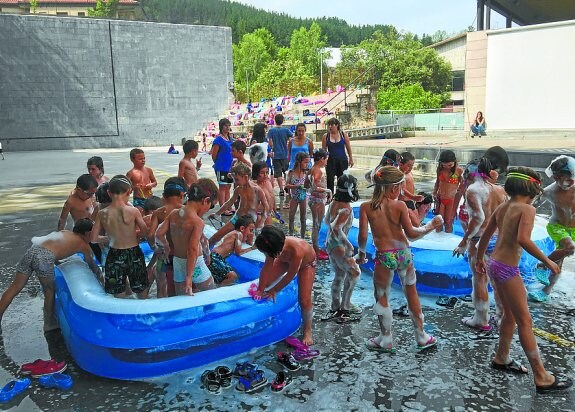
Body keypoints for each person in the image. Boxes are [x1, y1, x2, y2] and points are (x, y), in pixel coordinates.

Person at [475, 167, 572, 394]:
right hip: (508, 269)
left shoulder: (502, 207)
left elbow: (485, 236)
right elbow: (523, 239)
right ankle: (541, 375)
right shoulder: (526, 209)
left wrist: (480, 259)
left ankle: (501, 357)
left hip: (495, 264)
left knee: (510, 315)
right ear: (533, 190)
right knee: (525, 321)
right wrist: (548, 262)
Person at [357, 166, 443, 352]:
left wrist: (361, 253)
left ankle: (386, 339)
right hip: (404, 253)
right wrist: (431, 225)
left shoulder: (367, 207)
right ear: (394, 188)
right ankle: (422, 336)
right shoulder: (400, 206)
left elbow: (363, 237)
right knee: (411, 291)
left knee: (382, 295)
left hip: (385, 255)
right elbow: (412, 234)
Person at [0, 218, 100, 332]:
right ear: (88, 233)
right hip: (44, 258)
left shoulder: (66, 232)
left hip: (33, 250)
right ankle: (48, 324)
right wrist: (99, 277)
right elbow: (91, 264)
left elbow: (55, 246)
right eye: (94, 232)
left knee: (15, 287)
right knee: (49, 290)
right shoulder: (83, 245)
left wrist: (57, 261)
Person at [453, 158, 507, 331]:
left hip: (480, 241)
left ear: (470, 172)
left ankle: (481, 319)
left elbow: (478, 218)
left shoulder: (473, 190)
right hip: (498, 240)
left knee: (480, 279)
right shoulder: (499, 189)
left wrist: (464, 241)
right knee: (497, 281)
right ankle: (502, 317)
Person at [253, 226, 316, 346]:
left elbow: (291, 275)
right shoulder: (272, 244)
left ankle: (308, 330)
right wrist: (260, 290)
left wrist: (275, 290)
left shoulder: (297, 251)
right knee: (266, 284)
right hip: (285, 261)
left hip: (306, 264)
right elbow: (266, 268)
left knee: (304, 299)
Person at [156, 179, 218, 295]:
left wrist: (166, 246)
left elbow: (158, 234)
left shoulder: (174, 213)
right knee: (211, 293)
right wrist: (189, 277)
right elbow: (192, 249)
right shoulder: (197, 222)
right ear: (205, 201)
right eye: (210, 206)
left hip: (178, 262)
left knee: (181, 297)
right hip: (196, 265)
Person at [91, 175, 149, 299]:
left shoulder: (102, 213)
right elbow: (145, 232)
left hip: (114, 254)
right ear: (129, 192)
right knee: (141, 289)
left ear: (108, 192)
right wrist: (135, 235)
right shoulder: (133, 211)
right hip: (134, 254)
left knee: (118, 292)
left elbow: (93, 239)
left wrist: (111, 237)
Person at [528, 155, 575, 302]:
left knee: (560, 261)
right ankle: (542, 264)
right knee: (570, 247)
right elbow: (530, 206)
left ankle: (546, 291)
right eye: (568, 179)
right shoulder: (550, 192)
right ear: (556, 177)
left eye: (574, 177)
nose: (572, 181)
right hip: (558, 227)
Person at [323, 173, 361, 321]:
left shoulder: (333, 202)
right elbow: (336, 228)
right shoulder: (346, 209)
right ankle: (345, 308)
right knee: (355, 273)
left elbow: (327, 221)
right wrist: (349, 245)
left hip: (330, 243)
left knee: (339, 275)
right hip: (339, 245)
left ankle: (335, 306)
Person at [208, 163, 269, 246]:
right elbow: (229, 202)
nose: (235, 182)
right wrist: (216, 214)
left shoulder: (257, 190)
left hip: (249, 221)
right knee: (217, 236)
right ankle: (202, 253)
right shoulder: (238, 189)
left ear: (246, 177)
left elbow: (266, 206)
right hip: (237, 217)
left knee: (247, 243)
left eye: (236, 180)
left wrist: (261, 223)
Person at [147, 177, 187, 298]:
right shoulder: (185, 211)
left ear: (164, 195)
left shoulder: (158, 212)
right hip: (181, 254)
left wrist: (156, 248)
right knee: (181, 285)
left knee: (162, 282)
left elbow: (150, 235)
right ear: (182, 195)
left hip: (164, 255)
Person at [208, 215, 257, 286]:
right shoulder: (238, 234)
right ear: (242, 228)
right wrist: (252, 248)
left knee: (230, 275)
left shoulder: (235, 233)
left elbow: (247, 242)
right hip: (215, 257)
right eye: (251, 230)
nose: (251, 233)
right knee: (233, 276)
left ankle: (218, 286)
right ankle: (217, 290)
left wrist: (250, 235)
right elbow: (239, 252)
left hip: (214, 256)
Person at [433, 150, 464, 233]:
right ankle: (437, 240)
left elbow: (463, 184)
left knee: (448, 222)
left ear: (454, 161)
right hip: (440, 199)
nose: (447, 167)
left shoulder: (459, 170)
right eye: (444, 165)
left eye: (450, 165)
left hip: (451, 200)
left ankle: (448, 238)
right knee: (438, 222)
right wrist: (434, 192)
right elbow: (437, 182)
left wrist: (459, 191)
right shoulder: (440, 169)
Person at [308, 149, 331, 260]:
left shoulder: (312, 169)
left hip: (314, 200)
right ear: (322, 159)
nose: (327, 161)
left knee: (316, 225)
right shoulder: (318, 171)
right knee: (316, 226)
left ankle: (316, 249)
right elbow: (315, 187)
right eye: (326, 159)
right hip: (317, 201)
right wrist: (328, 191)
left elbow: (306, 184)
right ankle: (316, 251)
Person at [322, 117, 354, 194]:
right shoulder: (325, 136)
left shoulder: (343, 134)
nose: (330, 127)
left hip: (342, 160)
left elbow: (348, 147)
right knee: (330, 180)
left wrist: (351, 158)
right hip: (330, 161)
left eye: (332, 125)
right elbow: (324, 150)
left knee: (342, 179)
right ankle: (330, 196)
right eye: (328, 125)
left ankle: (341, 196)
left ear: (337, 125)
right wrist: (323, 161)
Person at [212, 118, 234, 215]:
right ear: (221, 127)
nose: (227, 127)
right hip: (221, 167)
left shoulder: (230, 139)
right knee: (222, 187)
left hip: (230, 167)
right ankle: (222, 209)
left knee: (228, 186)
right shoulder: (218, 140)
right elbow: (214, 155)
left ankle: (228, 206)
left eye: (229, 125)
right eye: (226, 125)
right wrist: (219, 163)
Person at [398, 152, 427, 226]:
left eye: (412, 165)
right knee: (415, 223)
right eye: (408, 165)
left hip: (410, 201)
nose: (411, 168)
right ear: (400, 164)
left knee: (416, 223)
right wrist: (413, 197)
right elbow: (403, 190)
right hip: (404, 202)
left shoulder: (410, 173)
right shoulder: (401, 175)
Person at [267, 114, 293, 196]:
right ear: (283, 120)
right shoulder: (286, 130)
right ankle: (287, 187)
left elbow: (270, 143)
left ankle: (281, 190)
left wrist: (272, 147)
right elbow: (291, 140)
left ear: (275, 120)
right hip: (285, 154)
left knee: (278, 173)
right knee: (286, 171)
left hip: (276, 155)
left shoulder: (271, 131)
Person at [286, 152, 309, 238]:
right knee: (291, 217)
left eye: (308, 162)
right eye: (305, 162)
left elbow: (310, 185)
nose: (307, 164)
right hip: (294, 197)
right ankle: (291, 235)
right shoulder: (291, 173)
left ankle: (302, 237)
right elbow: (287, 185)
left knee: (303, 218)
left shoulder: (306, 173)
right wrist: (297, 186)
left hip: (303, 197)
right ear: (299, 162)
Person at [126, 148, 158, 212]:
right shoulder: (130, 173)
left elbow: (155, 182)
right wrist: (134, 187)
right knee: (140, 213)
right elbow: (126, 188)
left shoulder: (148, 170)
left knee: (151, 213)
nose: (143, 160)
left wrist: (151, 185)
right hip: (138, 199)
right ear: (132, 160)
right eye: (140, 159)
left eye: (144, 158)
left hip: (149, 197)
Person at [252, 161, 276, 228]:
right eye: (262, 173)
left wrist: (274, 208)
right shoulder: (254, 185)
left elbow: (272, 195)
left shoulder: (268, 182)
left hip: (268, 213)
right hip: (259, 214)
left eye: (267, 172)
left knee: (269, 233)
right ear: (256, 173)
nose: (265, 175)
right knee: (258, 233)